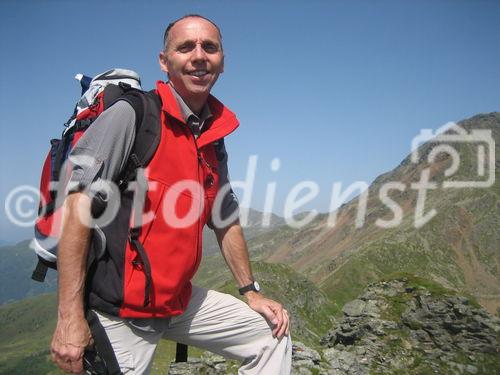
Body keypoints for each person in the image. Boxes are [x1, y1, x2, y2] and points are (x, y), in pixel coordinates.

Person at [50, 14, 292, 375]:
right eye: (185, 47)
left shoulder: (211, 138)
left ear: (222, 61)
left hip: (177, 301)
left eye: (209, 47)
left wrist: (251, 292)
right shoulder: (132, 115)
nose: (199, 56)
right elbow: (76, 208)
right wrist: (69, 318)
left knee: (271, 334)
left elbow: (225, 220)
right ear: (164, 62)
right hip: (119, 311)